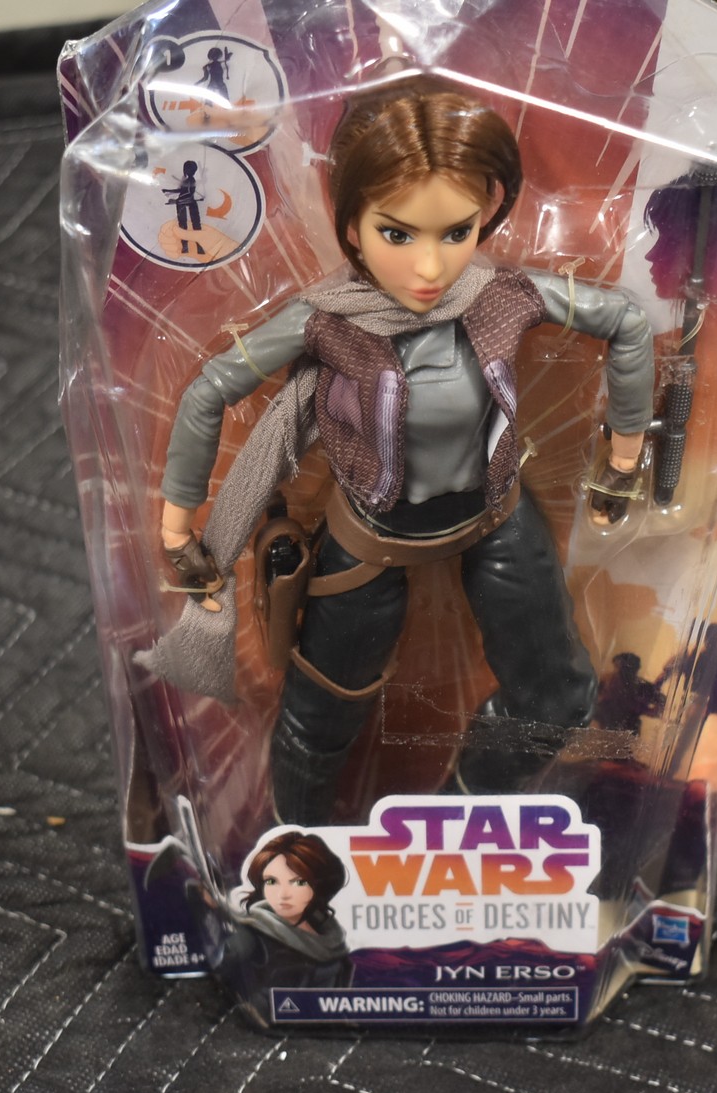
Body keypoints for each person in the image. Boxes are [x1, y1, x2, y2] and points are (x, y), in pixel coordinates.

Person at [156, 77, 655, 824]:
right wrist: (179, 526)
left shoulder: (501, 294)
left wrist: (624, 451)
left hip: (494, 517)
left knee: (558, 699)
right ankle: (299, 856)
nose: (429, 269)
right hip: (368, 539)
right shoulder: (330, 319)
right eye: (398, 234)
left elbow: (626, 323)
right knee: (319, 720)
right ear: (351, 226)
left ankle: (459, 817)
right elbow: (207, 392)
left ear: (486, 215)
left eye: (455, 233)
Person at [217, 831, 352, 1004]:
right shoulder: (250, 938)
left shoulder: (334, 943)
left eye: (299, 882)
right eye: (271, 881)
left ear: (319, 884)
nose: (283, 894)